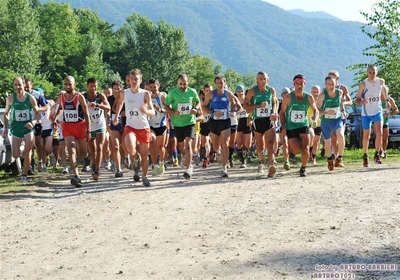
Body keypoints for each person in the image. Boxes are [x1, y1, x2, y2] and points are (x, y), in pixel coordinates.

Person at [113, 69, 155, 186]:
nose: (133, 81)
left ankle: (145, 177)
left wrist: (146, 111)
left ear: (140, 80)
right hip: (130, 126)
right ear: (129, 81)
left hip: (143, 127)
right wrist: (116, 117)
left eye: (136, 79)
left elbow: (153, 112)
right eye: (132, 79)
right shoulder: (124, 93)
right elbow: (120, 104)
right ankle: (135, 158)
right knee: (130, 147)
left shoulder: (145, 94)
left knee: (144, 154)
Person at [202, 75, 242, 177]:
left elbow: (239, 107)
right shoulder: (211, 95)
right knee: (216, 146)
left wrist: (235, 112)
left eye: (222, 83)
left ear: (225, 83)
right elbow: (203, 108)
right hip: (214, 122)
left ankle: (224, 168)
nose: (220, 85)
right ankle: (219, 154)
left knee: (225, 144)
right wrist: (212, 112)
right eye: (218, 83)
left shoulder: (228, 94)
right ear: (215, 84)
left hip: (225, 122)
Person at [54, 76, 91, 187]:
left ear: (74, 85)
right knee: (71, 150)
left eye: (70, 84)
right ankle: (76, 176)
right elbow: (61, 108)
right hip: (68, 126)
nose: (67, 86)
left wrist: (88, 131)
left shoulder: (79, 97)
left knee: (82, 153)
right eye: (65, 84)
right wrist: (56, 118)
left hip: (80, 126)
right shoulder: (62, 96)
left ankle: (86, 158)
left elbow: (86, 114)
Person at [280, 74, 319, 177]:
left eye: (301, 83)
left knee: (305, 147)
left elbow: (316, 110)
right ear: (294, 84)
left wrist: (314, 119)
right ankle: (291, 152)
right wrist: (283, 127)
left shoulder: (309, 97)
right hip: (291, 126)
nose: (299, 86)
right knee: (296, 149)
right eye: (297, 84)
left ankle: (303, 168)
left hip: (303, 124)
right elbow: (282, 112)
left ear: (304, 84)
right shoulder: (288, 98)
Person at [2, 77, 40, 183]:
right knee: (15, 155)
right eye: (15, 85)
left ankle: (24, 175)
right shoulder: (10, 98)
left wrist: (32, 122)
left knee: (28, 153)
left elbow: (38, 115)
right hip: (15, 129)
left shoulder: (30, 98)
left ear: (24, 85)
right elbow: (6, 114)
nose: (17, 87)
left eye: (19, 85)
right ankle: (23, 146)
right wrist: (5, 128)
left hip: (27, 128)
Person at [164, 74, 200, 180]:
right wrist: (174, 112)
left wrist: (196, 109)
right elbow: (166, 106)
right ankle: (186, 157)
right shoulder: (172, 93)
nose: (182, 86)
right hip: (177, 123)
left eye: (184, 84)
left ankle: (188, 168)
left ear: (188, 83)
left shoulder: (192, 92)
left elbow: (198, 102)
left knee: (188, 143)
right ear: (177, 83)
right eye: (180, 84)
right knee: (181, 145)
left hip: (190, 122)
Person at [243, 71, 279, 177]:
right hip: (257, 120)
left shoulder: (271, 90)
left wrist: (274, 112)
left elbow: (275, 102)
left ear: (268, 80)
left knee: (270, 144)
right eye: (261, 79)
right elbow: (245, 106)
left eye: (265, 79)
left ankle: (271, 166)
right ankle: (261, 161)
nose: (263, 81)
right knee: (260, 146)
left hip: (268, 120)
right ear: (257, 80)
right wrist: (258, 106)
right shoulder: (252, 91)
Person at [355, 65, 387, 167]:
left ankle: (377, 154)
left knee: (380, 132)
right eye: (370, 72)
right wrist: (361, 102)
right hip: (366, 113)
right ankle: (365, 155)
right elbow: (357, 100)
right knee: (366, 135)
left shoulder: (380, 81)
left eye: (373, 72)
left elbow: (384, 92)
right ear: (367, 73)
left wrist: (386, 101)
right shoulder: (363, 84)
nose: (372, 74)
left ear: (377, 72)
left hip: (377, 111)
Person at [317, 77, 345, 171]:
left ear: (336, 83)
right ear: (325, 85)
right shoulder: (322, 95)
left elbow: (341, 103)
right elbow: (317, 111)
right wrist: (326, 112)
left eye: (332, 84)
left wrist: (343, 111)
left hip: (337, 120)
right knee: (328, 143)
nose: (331, 86)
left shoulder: (339, 92)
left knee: (341, 136)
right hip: (326, 122)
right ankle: (329, 159)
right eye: (328, 84)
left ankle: (339, 158)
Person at [85, 78, 110, 181]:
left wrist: (98, 105)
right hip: (89, 125)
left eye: (95, 86)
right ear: (87, 86)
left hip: (100, 124)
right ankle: (94, 164)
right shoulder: (83, 96)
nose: (93, 88)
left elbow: (108, 107)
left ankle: (97, 170)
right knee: (92, 151)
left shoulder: (100, 96)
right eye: (91, 86)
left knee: (100, 148)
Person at [24, 78, 49, 172]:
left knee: (38, 144)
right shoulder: (20, 95)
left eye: (27, 86)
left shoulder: (37, 95)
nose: (26, 88)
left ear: (31, 85)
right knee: (28, 144)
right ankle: (29, 164)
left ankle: (40, 161)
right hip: (25, 123)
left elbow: (46, 106)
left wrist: (38, 109)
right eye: (24, 87)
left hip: (36, 122)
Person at [148, 78, 168, 176]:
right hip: (151, 124)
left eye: (154, 87)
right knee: (152, 143)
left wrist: (161, 110)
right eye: (151, 87)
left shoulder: (162, 97)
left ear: (158, 86)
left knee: (161, 147)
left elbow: (169, 109)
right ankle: (154, 165)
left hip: (161, 124)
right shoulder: (147, 96)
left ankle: (161, 163)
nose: (152, 89)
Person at [108, 81, 125, 177]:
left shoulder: (126, 97)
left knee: (125, 146)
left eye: (118, 88)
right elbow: (106, 109)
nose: (116, 90)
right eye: (114, 89)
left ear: (121, 89)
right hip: (114, 123)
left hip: (125, 123)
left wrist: (125, 112)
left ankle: (127, 157)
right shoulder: (109, 99)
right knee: (115, 146)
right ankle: (119, 168)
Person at [235, 85, 253, 168]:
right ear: (236, 92)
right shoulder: (234, 101)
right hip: (238, 122)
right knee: (239, 143)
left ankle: (246, 153)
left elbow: (252, 110)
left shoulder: (247, 100)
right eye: (238, 91)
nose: (240, 93)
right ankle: (243, 161)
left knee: (247, 144)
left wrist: (251, 120)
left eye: (242, 91)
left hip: (247, 121)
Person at [380, 85, 398, 158]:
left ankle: (384, 151)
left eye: (385, 91)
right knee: (379, 136)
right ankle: (379, 151)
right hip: (377, 120)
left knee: (385, 137)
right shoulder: (377, 100)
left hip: (385, 121)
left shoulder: (390, 100)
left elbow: (396, 110)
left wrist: (388, 114)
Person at [308, 85, 322, 165]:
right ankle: (309, 154)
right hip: (309, 123)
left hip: (318, 124)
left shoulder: (321, 102)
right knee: (309, 140)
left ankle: (313, 156)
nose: (316, 94)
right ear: (311, 92)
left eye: (317, 92)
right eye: (314, 92)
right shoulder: (308, 101)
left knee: (316, 141)